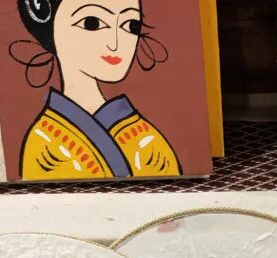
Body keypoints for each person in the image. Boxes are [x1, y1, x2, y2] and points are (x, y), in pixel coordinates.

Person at [11, 0, 180, 180]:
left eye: (131, 25)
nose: (115, 43)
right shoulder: (45, 143)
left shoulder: (148, 139)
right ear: (51, 30)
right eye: (91, 23)